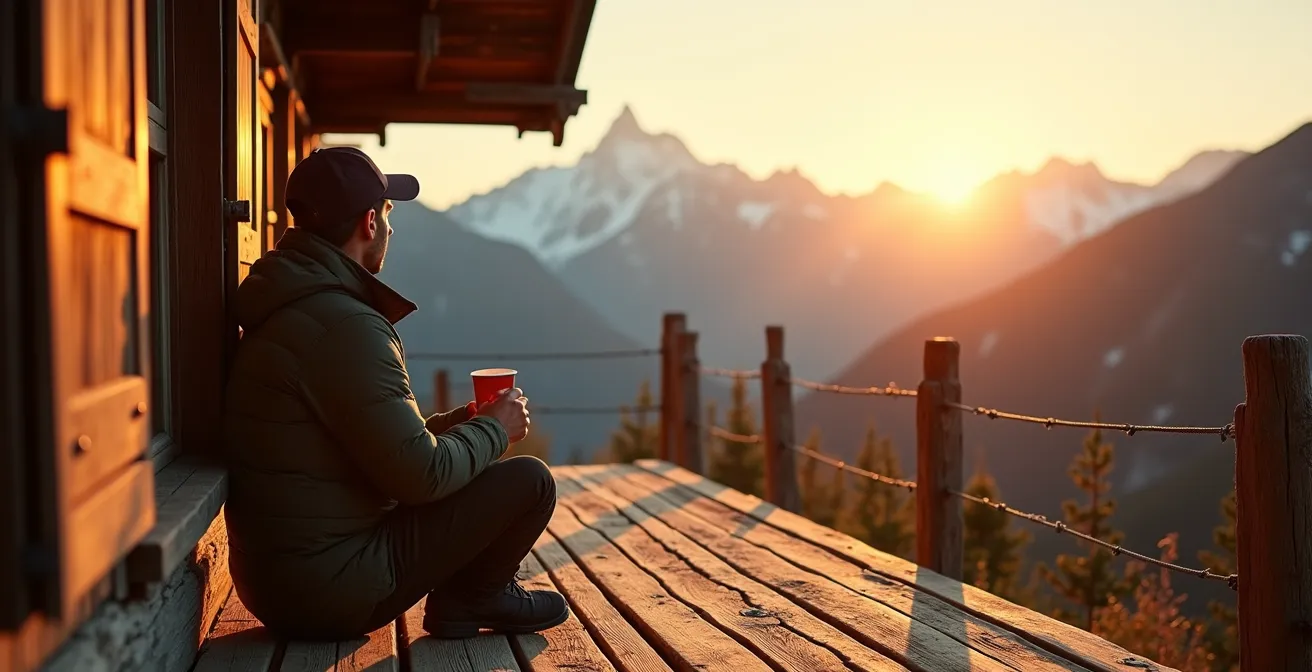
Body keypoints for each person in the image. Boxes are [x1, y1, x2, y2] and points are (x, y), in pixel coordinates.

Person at [220, 146, 568, 641]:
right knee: (530, 481)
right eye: (387, 214)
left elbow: (380, 450)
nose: (391, 227)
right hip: (330, 589)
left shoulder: (292, 306)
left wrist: (467, 418)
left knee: (484, 465)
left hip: (283, 581)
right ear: (368, 223)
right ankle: (473, 597)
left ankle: (466, 600)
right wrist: (494, 429)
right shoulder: (346, 325)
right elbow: (420, 476)